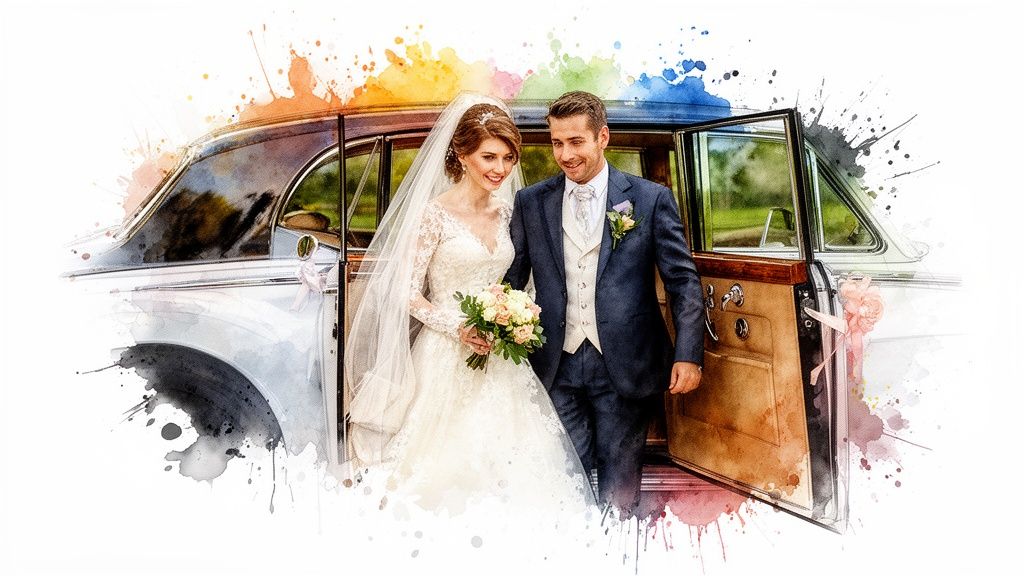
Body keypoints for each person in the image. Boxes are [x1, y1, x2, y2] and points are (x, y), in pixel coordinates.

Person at [343, 92, 596, 517]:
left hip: (501, 359)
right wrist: (458, 327)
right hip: (444, 355)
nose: (500, 169)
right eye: (489, 157)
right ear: (462, 155)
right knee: (441, 470)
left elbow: (520, 280)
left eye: (509, 158)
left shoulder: (509, 212)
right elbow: (406, 292)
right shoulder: (432, 216)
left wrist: (519, 315)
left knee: (516, 467)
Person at [505, 90, 705, 517]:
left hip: (626, 364)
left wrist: (689, 354)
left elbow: (683, 283)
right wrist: (495, 323)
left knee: (619, 483)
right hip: (553, 361)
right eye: (557, 143)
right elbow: (512, 277)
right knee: (561, 475)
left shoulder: (650, 199)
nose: (565, 154)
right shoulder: (530, 201)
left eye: (576, 141)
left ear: (602, 138)